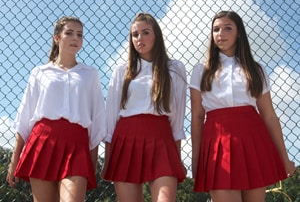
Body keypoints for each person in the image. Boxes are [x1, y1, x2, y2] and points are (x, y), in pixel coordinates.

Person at [190, 11, 296, 202]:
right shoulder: (201, 71)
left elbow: (269, 116)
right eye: (216, 29)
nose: (220, 33)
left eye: (227, 28)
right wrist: (196, 161)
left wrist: (285, 158)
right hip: (217, 142)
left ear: (239, 33)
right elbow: (197, 117)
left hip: (252, 141)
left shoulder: (256, 70)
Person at [6, 16, 106, 202]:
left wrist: (92, 164)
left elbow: (98, 119)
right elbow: (25, 117)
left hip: (77, 144)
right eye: (69, 33)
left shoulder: (90, 75)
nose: (76, 38)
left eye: (80, 34)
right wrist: (15, 159)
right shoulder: (39, 73)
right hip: (43, 142)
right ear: (57, 37)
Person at [101, 12, 187, 202]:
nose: (139, 38)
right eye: (135, 34)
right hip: (125, 140)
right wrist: (108, 159)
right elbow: (111, 116)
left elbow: (177, 119)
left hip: (161, 139)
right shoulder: (122, 70)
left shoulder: (175, 69)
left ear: (156, 35)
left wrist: (176, 157)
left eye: (145, 32)